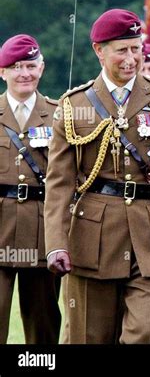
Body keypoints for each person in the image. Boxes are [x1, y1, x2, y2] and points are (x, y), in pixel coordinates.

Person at [44, 8, 150, 344]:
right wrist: (56, 244)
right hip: (92, 239)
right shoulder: (73, 105)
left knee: (147, 334)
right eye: (122, 50)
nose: (132, 58)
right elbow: (59, 184)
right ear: (99, 51)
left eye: (137, 48)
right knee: (89, 336)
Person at [0, 34, 61, 344]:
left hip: (43, 229)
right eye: (15, 66)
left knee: (43, 319)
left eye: (31, 65)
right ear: (2, 72)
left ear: (42, 67)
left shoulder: (61, 114)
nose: (24, 73)